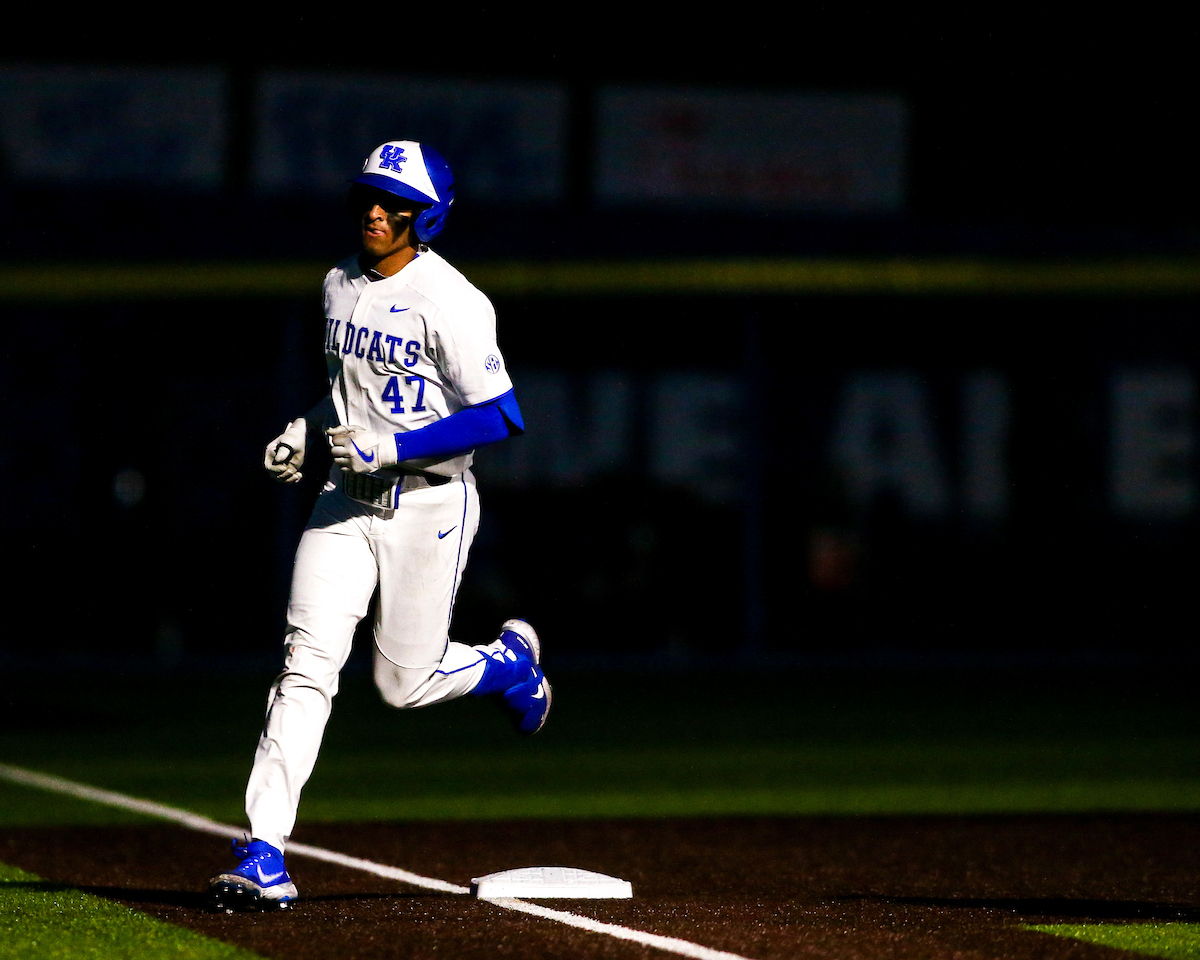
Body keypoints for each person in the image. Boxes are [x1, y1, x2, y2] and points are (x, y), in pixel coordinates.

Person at [208, 140, 550, 912]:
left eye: (391, 202)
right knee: (306, 665)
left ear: (423, 216)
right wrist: (306, 427)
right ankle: (265, 850)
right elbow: (348, 398)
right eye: (368, 194)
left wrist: (393, 447)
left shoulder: (454, 299)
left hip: (430, 504)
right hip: (343, 501)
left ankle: (504, 664)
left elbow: (502, 416)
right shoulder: (337, 283)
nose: (373, 210)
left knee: (402, 686)